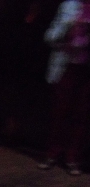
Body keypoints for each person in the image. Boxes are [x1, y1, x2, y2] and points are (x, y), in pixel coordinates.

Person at [38, 0, 90, 175]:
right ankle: (52, 153)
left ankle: (72, 157)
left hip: (85, 67)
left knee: (81, 114)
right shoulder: (68, 6)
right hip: (66, 66)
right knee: (60, 111)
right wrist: (68, 30)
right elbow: (49, 37)